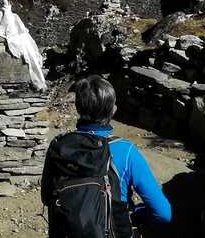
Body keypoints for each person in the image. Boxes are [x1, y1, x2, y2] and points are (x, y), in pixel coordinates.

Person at [41, 75, 172, 237]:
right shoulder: (126, 151)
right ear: (113, 110)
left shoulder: (59, 147)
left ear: (78, 107)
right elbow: (163, 213)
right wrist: (135, 216)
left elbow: (47, 198)